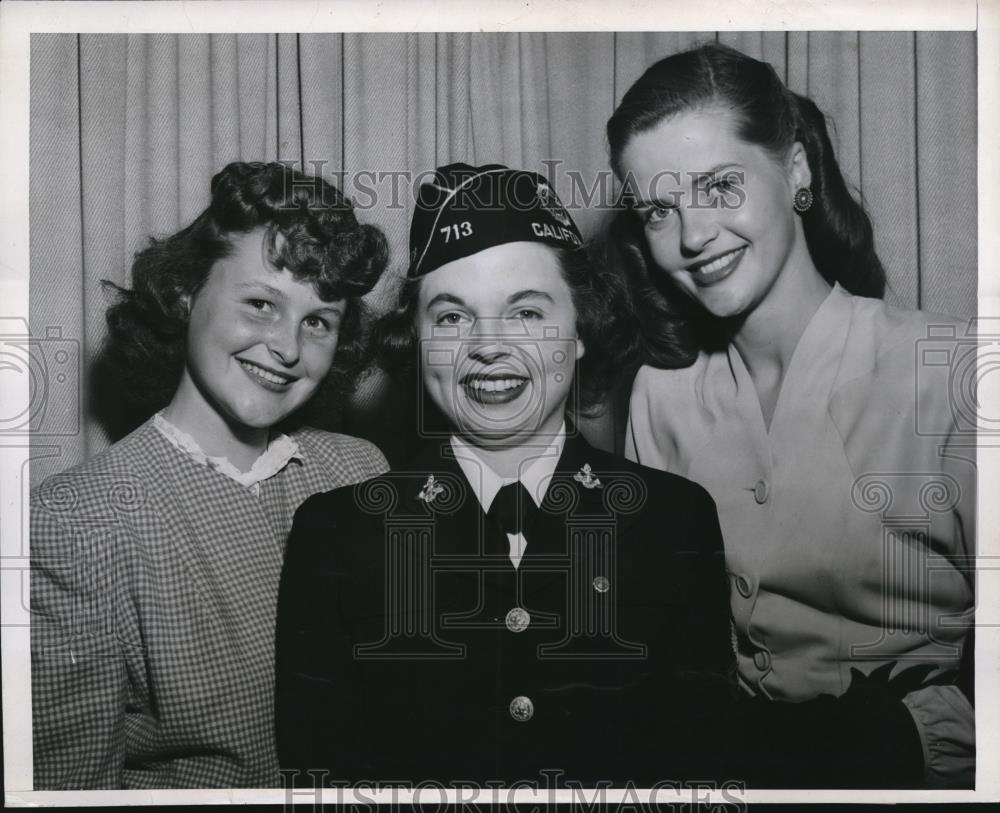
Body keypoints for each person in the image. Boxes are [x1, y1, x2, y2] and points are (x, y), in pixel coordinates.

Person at [274, 163, 739, 787]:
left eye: (525, 313)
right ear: (414, 340)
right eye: (451, 317)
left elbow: (700, 770)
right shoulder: (336, 534)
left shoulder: (673, 521)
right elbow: (321, 779)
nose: (489, 344)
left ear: (580, 329)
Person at [605, 43, 976, 788]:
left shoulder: (951, 369)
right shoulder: (659, 395)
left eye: (718, 186)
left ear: (798, 168)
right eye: (659, 210)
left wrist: (912, 739)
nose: (693, 236)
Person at [30, 161, 391, 789]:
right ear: (184, 293)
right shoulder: (75, 520)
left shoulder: (360, 471)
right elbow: (72, 789)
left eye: (318, 322)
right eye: (259, 304)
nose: (287, 347)